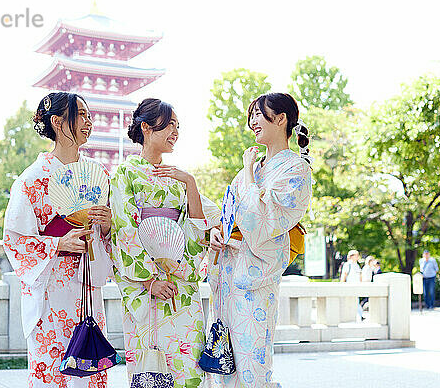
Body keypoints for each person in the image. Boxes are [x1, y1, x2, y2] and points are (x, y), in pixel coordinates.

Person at [3, 92, 113, 388]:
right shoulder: (32, 178)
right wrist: (58, 243)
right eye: (82, 114)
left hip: (86, 281)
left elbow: (111, 235)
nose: (90, 121)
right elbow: (14, 240)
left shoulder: (97, 174)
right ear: (58, 122)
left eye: (90, 115)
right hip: (51, 285)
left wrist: (107, 226)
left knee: (90, 366)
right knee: (54, 368)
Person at [109, 98, 219, 386]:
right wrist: (149, 282)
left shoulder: (177, 176)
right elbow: (124, 230)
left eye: (178, 126)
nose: (175, 132)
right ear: (145, 127)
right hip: (148, 289)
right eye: (169, 124)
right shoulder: (125, 173)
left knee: (190, 369)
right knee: (153, 368)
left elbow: (196, 226)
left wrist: (190, 183)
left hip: (182, 285)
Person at [210, 93, 312, 387]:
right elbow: (229, 213)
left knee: (252, 364)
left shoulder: (297, 168)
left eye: (259, 114)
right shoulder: (254, 166)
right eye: (252, 115)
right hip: (229, 274)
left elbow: (264, 223)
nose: (253, 122)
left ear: (281, 119)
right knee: (223, 365)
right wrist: (218, 233)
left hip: (257, 277)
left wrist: (250, 178)